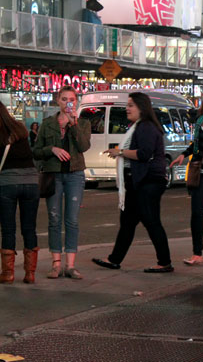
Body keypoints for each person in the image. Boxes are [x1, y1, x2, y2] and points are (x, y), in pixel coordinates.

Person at [92, 92, 173, 273]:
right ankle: (114, 259)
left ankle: (165, 262)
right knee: (128, 222)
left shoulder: (146, 127)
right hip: (138, 182)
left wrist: (119, 152)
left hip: (148, 181)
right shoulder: (139, 126)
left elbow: (143, 154)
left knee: (151, 221)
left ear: (141, 108)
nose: (127, 109)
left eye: (131, 105)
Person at [33, 85, 91, 279]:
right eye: (64, 99)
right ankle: (56, 264)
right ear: (58, 101)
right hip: (53, 175)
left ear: (76, 102)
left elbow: (83, 146)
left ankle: (70, 265)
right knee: (54, 218)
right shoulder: (48, 123)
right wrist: (52, 149)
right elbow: (36, 150)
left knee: (72, 220)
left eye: (72, 99)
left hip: (75, 174)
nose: (68, 102)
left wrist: (73, 124)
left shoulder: (82, 124)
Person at [170, 88, 203, 266]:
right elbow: (196, 145)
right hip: (199, 173)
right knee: (196, 213)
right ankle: (197, 253)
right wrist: (183, 155)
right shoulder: (200, 120)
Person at [0, 102, 40, 284]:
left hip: (8, 183)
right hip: (31, 182)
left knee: (8, 229)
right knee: (29, 228)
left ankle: (8, 274)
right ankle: (30, 274)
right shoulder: (20, 130)